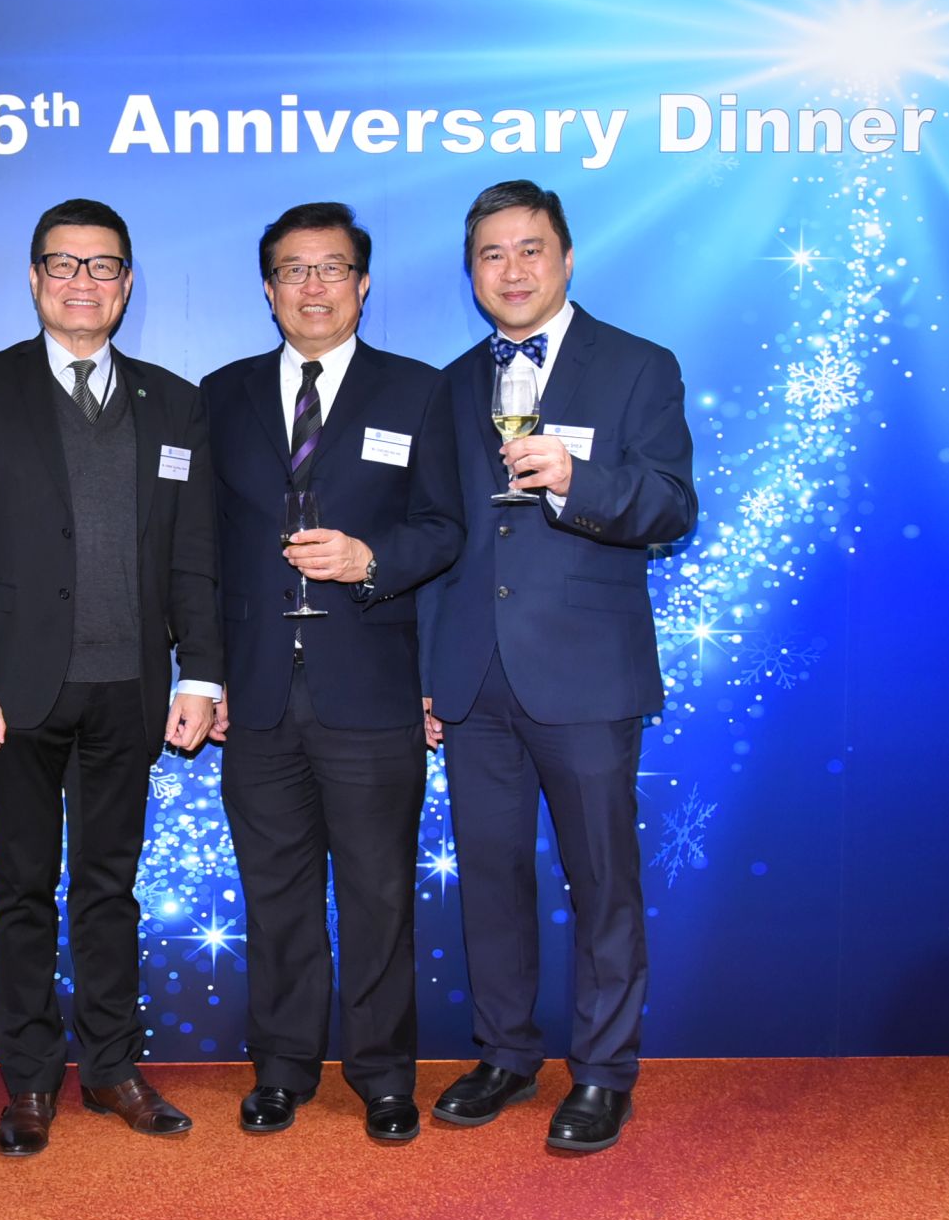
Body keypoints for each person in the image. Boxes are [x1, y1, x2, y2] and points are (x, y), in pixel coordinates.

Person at [0, 198, 224, 1158]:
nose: (82, 282)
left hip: (128, 691)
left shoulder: (173, 401)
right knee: (22, 888)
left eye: (102, 266)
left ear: (127, 284)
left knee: (110, 888)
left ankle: (110, 1067)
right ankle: (28, 1080)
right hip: (14, 696)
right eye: (64, 264)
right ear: (34, 278)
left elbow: (193, 553)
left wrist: (201, 673)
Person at [419, 179, 698, 1153]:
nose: (512, 270)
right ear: (471, 273)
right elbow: (439, 538)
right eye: (491, 254)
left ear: (567, 257)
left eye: (530, 249)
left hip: (586, 674)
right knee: (491, 881)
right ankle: (505, 1052)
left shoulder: (637, 366)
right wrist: (429, 672)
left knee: (602, 882)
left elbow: (672, 505)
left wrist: (581, 480)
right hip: (474, 680)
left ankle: (604, 1071)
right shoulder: (451, 384)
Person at [203, 201, 463, 1143]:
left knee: (379, 894)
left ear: (363, 283)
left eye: (332, 268)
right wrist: (205, 674)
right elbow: (198, 550)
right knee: (275, 894)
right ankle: (281, 1068)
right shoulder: (221, 394)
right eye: (293, 270)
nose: (313, 286)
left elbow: (447, 528)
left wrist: (369, 560)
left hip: (374, 683)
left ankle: (385, 1076)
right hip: (257, 692)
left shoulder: (420, 392)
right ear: (269, 289)